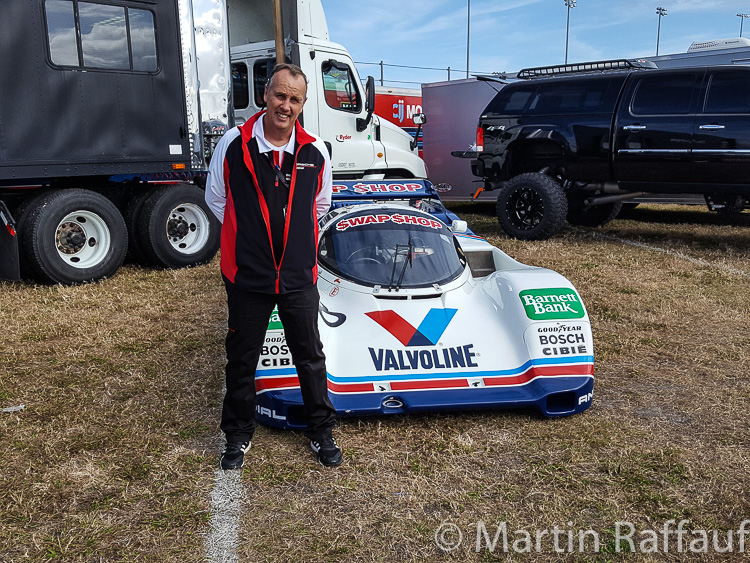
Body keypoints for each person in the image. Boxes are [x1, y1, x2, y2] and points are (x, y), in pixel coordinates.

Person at [205, 63, 342, 469]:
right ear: (266, 94)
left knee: (310, 356)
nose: (285, 105)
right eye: (280, 95)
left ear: (303, 104)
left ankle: (321, 430)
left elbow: (320, 206)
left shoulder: (315, 151)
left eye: (294, 99)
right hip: (247, 275)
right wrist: (247, 240)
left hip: (299, 276)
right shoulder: (234, 143)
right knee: (242, 357)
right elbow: (217, 200)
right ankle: (237, 434)